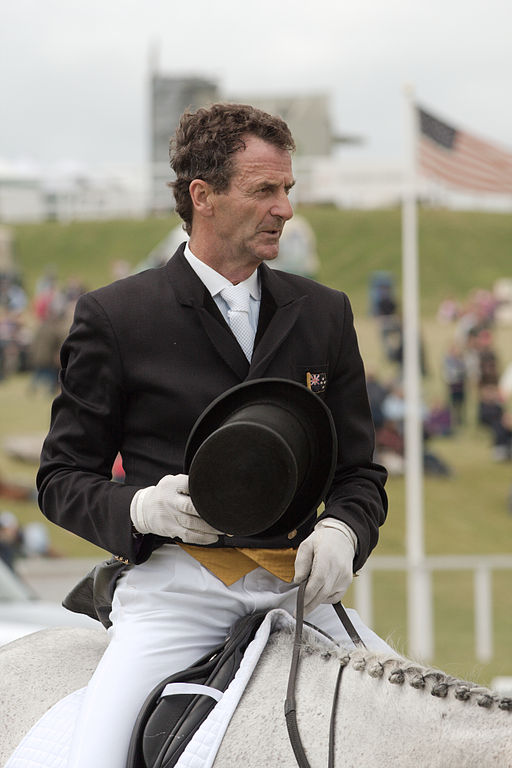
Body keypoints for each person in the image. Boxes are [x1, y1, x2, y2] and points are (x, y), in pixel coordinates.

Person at [37, 103, 388, 767]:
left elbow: (360, 475)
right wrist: (143, 508)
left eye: (288, 189)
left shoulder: (326, 314)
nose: (284, 209)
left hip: (296, 593)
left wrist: (345, 531)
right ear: (203, 196)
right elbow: (59, 480)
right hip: (174, 597)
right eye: (264, 190)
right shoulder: (116, 317)